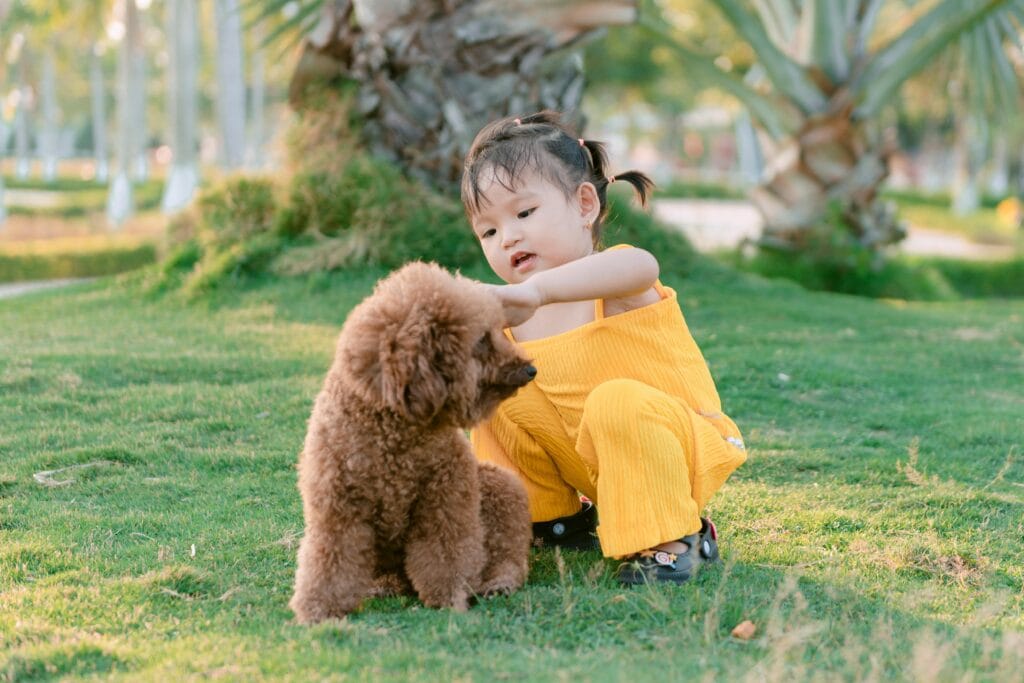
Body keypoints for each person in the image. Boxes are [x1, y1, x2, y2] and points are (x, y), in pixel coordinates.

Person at [461, 110, 746, 585]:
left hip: (674, 450)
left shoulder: (614, 278)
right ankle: (543, 517)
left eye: (524, 213)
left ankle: (678, 537)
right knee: (495, 387)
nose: (508, 237)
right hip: (588, 462)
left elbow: (643, 265)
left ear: (585, 205)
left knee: (616, 400)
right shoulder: (514, 318)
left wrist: (539, 292)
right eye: (488, 231)